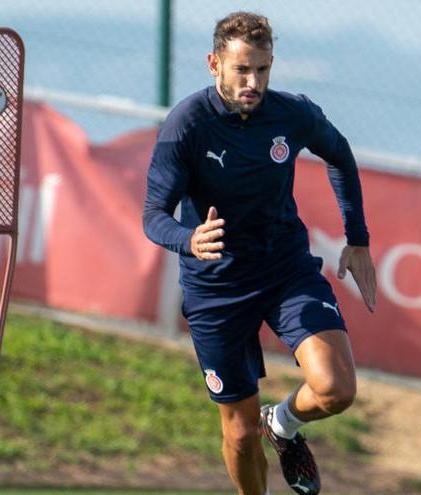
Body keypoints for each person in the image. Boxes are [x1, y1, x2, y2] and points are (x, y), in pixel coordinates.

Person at [142, 11, 376, 495]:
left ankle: (285, 423)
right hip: (216, 289)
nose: (253, 82)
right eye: (242, 70)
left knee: (337, 389)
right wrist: (188, 239)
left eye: (263, 70)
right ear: (214, 64)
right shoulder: (187, 125)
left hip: (284, 269)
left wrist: (357, 238)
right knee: (240, 433)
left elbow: (339, 153)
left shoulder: (292, 114)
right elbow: (152, 216)